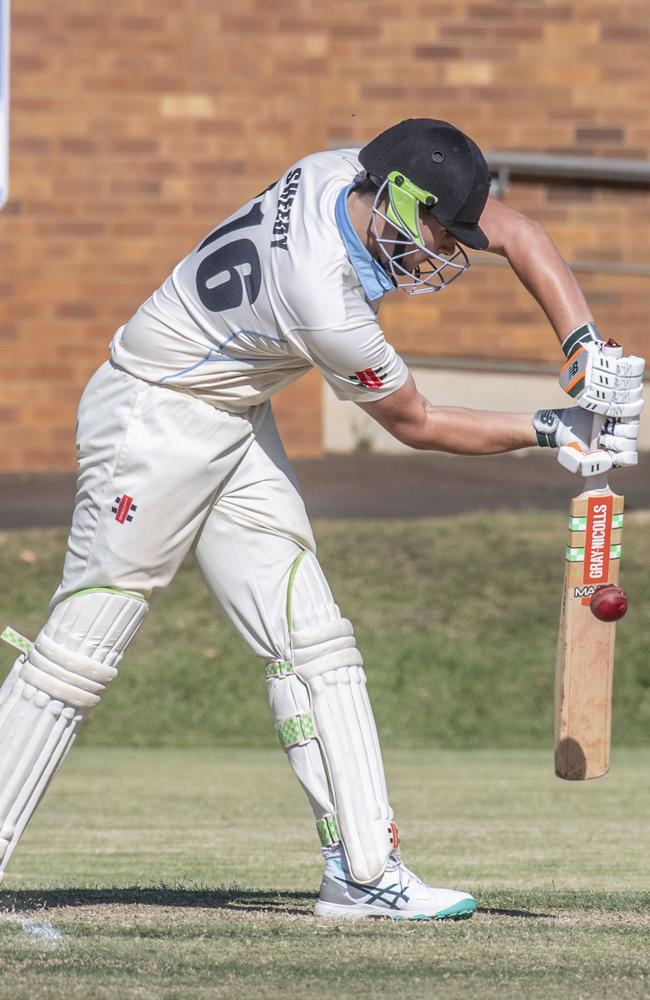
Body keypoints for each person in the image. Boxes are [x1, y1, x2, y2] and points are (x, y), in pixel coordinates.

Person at [0, 119, 643, 920]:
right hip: (152, 418)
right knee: (79, 653)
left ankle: (364, 873)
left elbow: (514, 229)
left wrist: (580, 342)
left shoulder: (348, 170)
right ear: (401, 202)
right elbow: (416, 422)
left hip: (233, 414)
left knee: (316, 643)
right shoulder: (321, 292)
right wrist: (550, 429)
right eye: (444, 233)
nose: (449, 252)